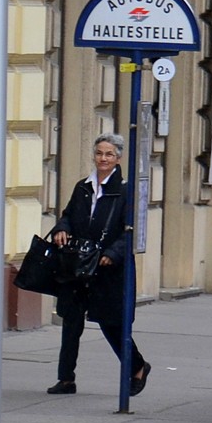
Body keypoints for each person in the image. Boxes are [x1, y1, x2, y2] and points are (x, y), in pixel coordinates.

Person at [47, 133, 151, 396]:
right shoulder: (83, 186)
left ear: (118, 158)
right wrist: (62, 228)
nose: (103, 159)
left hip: (107, 268)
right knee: (71, 320)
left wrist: (114, 254)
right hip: (79, 264)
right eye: (99, 153)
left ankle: (137, 366)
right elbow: (68, 215)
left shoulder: (125, 190)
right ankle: (66, 378)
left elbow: (130, 230)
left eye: (108, 154)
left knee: (111, 323)